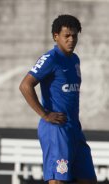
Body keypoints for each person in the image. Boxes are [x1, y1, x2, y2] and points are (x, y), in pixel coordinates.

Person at [19, 15, 97, 184]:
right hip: (56, 129)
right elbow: (25, 85)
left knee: (88, 179)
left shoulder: (74, 59)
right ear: (56, 36)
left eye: (74, 36)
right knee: (58, 181)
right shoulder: (50, 58)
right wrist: (45, 114)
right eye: (66, 36)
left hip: (74, 128)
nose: (71, 40)